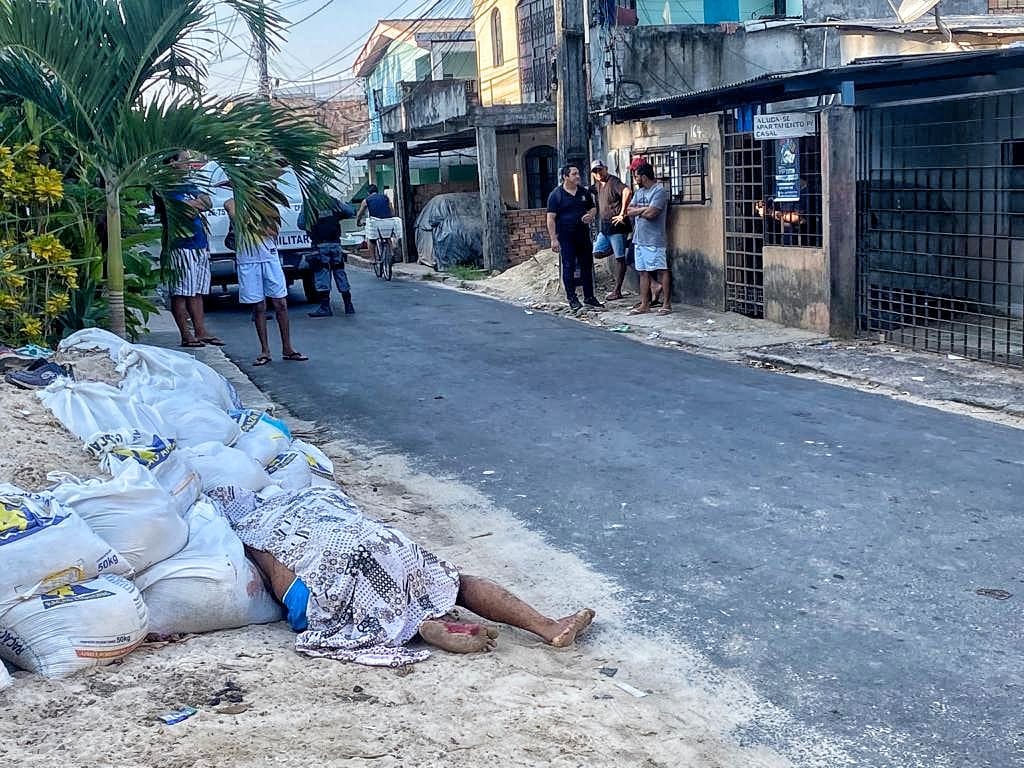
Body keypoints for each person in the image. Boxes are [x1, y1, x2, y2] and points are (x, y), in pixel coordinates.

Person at [210, 485, 596, 666]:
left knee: (313, 590)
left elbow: (259, 584)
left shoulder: (248, 529)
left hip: (325, 582)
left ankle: (420, 624)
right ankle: (547, 626)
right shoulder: (318, 497)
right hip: (383, 546)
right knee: (453, 581)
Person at [223, 197, 308, 366]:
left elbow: (273, 231)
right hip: (247, 259)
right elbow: (238, 218)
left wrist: (254, 224)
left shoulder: (267, 203)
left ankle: (287, 348)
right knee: (258, 306)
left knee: (281, 303)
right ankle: (265, 351)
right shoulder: (232, 202)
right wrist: (259, 224)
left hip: (269, 256)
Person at [154, 153, 222, 348]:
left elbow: (207, 203)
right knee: (182, 291)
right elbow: (182, 209)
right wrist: (193, 205)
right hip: (181, 245)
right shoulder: (165, 188)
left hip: (199, 243)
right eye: (184, 159)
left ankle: (201, 331)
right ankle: (186, 334)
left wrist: (193, 205)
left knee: (197, 290)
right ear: (172, 162)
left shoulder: (188, 184)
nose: (188, 163)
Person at [546, 164, 602, 311]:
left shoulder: (583, 192)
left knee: (587, 266)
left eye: (578, 173)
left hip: (583, 234)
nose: (578, 176)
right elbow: (550, 218)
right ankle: (572, 298)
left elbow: (593, 207)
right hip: (566, 236)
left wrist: (590, 215)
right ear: (565, 177)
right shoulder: (556, 195)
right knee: (569, 266)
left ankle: (589, 297)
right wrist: (553, 239)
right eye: (574, 174)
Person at [298, 191, 356, 317]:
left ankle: (325, 307)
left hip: (320, 245)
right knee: (340, 272)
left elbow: (301, 224)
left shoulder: (309, 204)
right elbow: (351, 212)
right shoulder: (333, 201)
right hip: (335, 244)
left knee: (322, 274)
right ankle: (348, 305)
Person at [627, 162, 672, 316]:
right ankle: (645, 304)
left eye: (637, 176)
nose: (635, 179)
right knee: (643, 272)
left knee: (661, 270)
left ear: (644, 177)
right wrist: (642, 210)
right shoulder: (639, 192)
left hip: (654, 238)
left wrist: (638, 211)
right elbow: (628, 210)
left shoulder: (658, 191)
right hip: (639, 238)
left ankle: (666, 304)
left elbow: (652, 214)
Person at [589, 160, 633, 302]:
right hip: (605, 227)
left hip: (618, 226)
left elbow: (627, 191)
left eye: (600, 170)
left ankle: (617, 290)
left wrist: (622, 213)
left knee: (620, 259)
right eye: (595, 171)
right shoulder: (597, 185)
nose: (598, 173)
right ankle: (626, 244)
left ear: (606, 169)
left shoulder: (613, 182)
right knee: (597, 252)